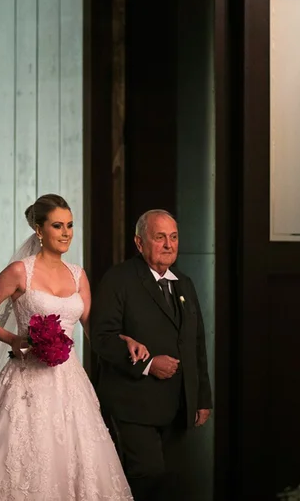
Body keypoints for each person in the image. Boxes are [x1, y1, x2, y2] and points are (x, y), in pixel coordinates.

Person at [0, 194, 147, 500]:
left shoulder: (78, 275)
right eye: (57, 226)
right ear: (39, 230)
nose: (66, 233)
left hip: (69, 381)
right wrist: (14, 340)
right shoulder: (20, 271)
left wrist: (126, 339)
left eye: (70, 225)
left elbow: (94, 330)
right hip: (26, 381)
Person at [90, 209, 213, 501]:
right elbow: (101, 338)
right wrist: (148, 364)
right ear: (139, 242)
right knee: (148, 476)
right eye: (160, 238)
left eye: (173, 237)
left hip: (178, 404)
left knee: (172, 481)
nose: (169, 245)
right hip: (133, 403)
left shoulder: (184, 283)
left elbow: (196, 344)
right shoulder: (118, 279)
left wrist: (202, 398)